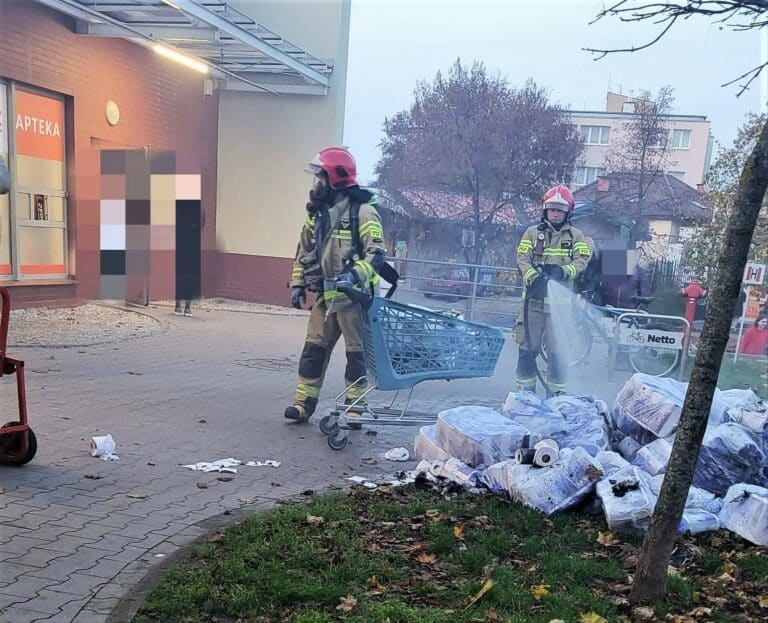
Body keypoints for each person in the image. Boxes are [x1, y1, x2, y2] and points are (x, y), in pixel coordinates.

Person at [285, 147, 386, 423]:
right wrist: (298, 284)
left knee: (357, 357)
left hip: (355, 299)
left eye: (320, 178)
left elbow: (376, 254)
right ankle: (303, 404)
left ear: (336, 180)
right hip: (325, 298)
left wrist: (354, 276)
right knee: (312, 352)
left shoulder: (363, 213)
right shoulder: (316, 215)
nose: (315, 185)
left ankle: (355, 407)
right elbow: (303, 250)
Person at [515, 185, 592, 395]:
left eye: (560, 210)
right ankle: (525, 395)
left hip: (560, 310)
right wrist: (533, 277)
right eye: (552, 209)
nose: (555, 213)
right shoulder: (532, 233)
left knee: (558, 354)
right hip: (533, 305)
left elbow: (582, 260)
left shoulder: (576, 236)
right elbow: (522, 258)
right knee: (527, 349)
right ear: (545, 210)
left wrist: (564, 272)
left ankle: (557, 397)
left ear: (568, 212)